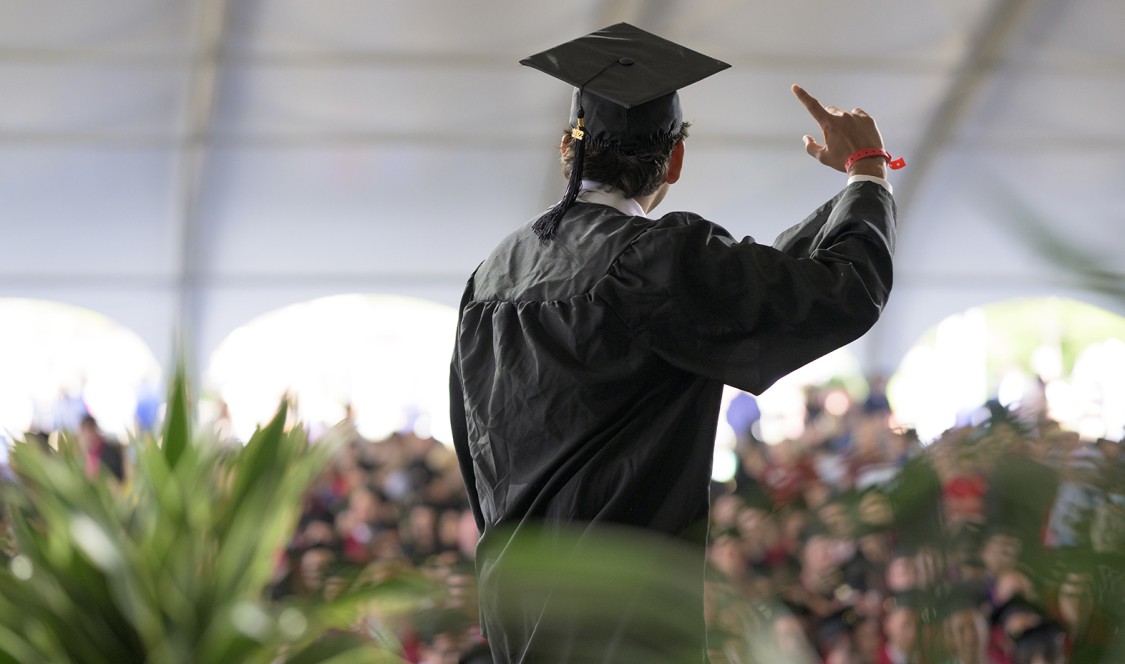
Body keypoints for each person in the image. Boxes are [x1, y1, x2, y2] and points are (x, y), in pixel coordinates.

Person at [449, 22, 898, 663]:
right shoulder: (653, 261)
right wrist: (867, 173)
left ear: (565, 150)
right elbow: (840, 292)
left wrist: (843, 202)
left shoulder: (494, 274)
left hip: (515, 612)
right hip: (622, 622)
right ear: (676, 161)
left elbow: (474, 450)